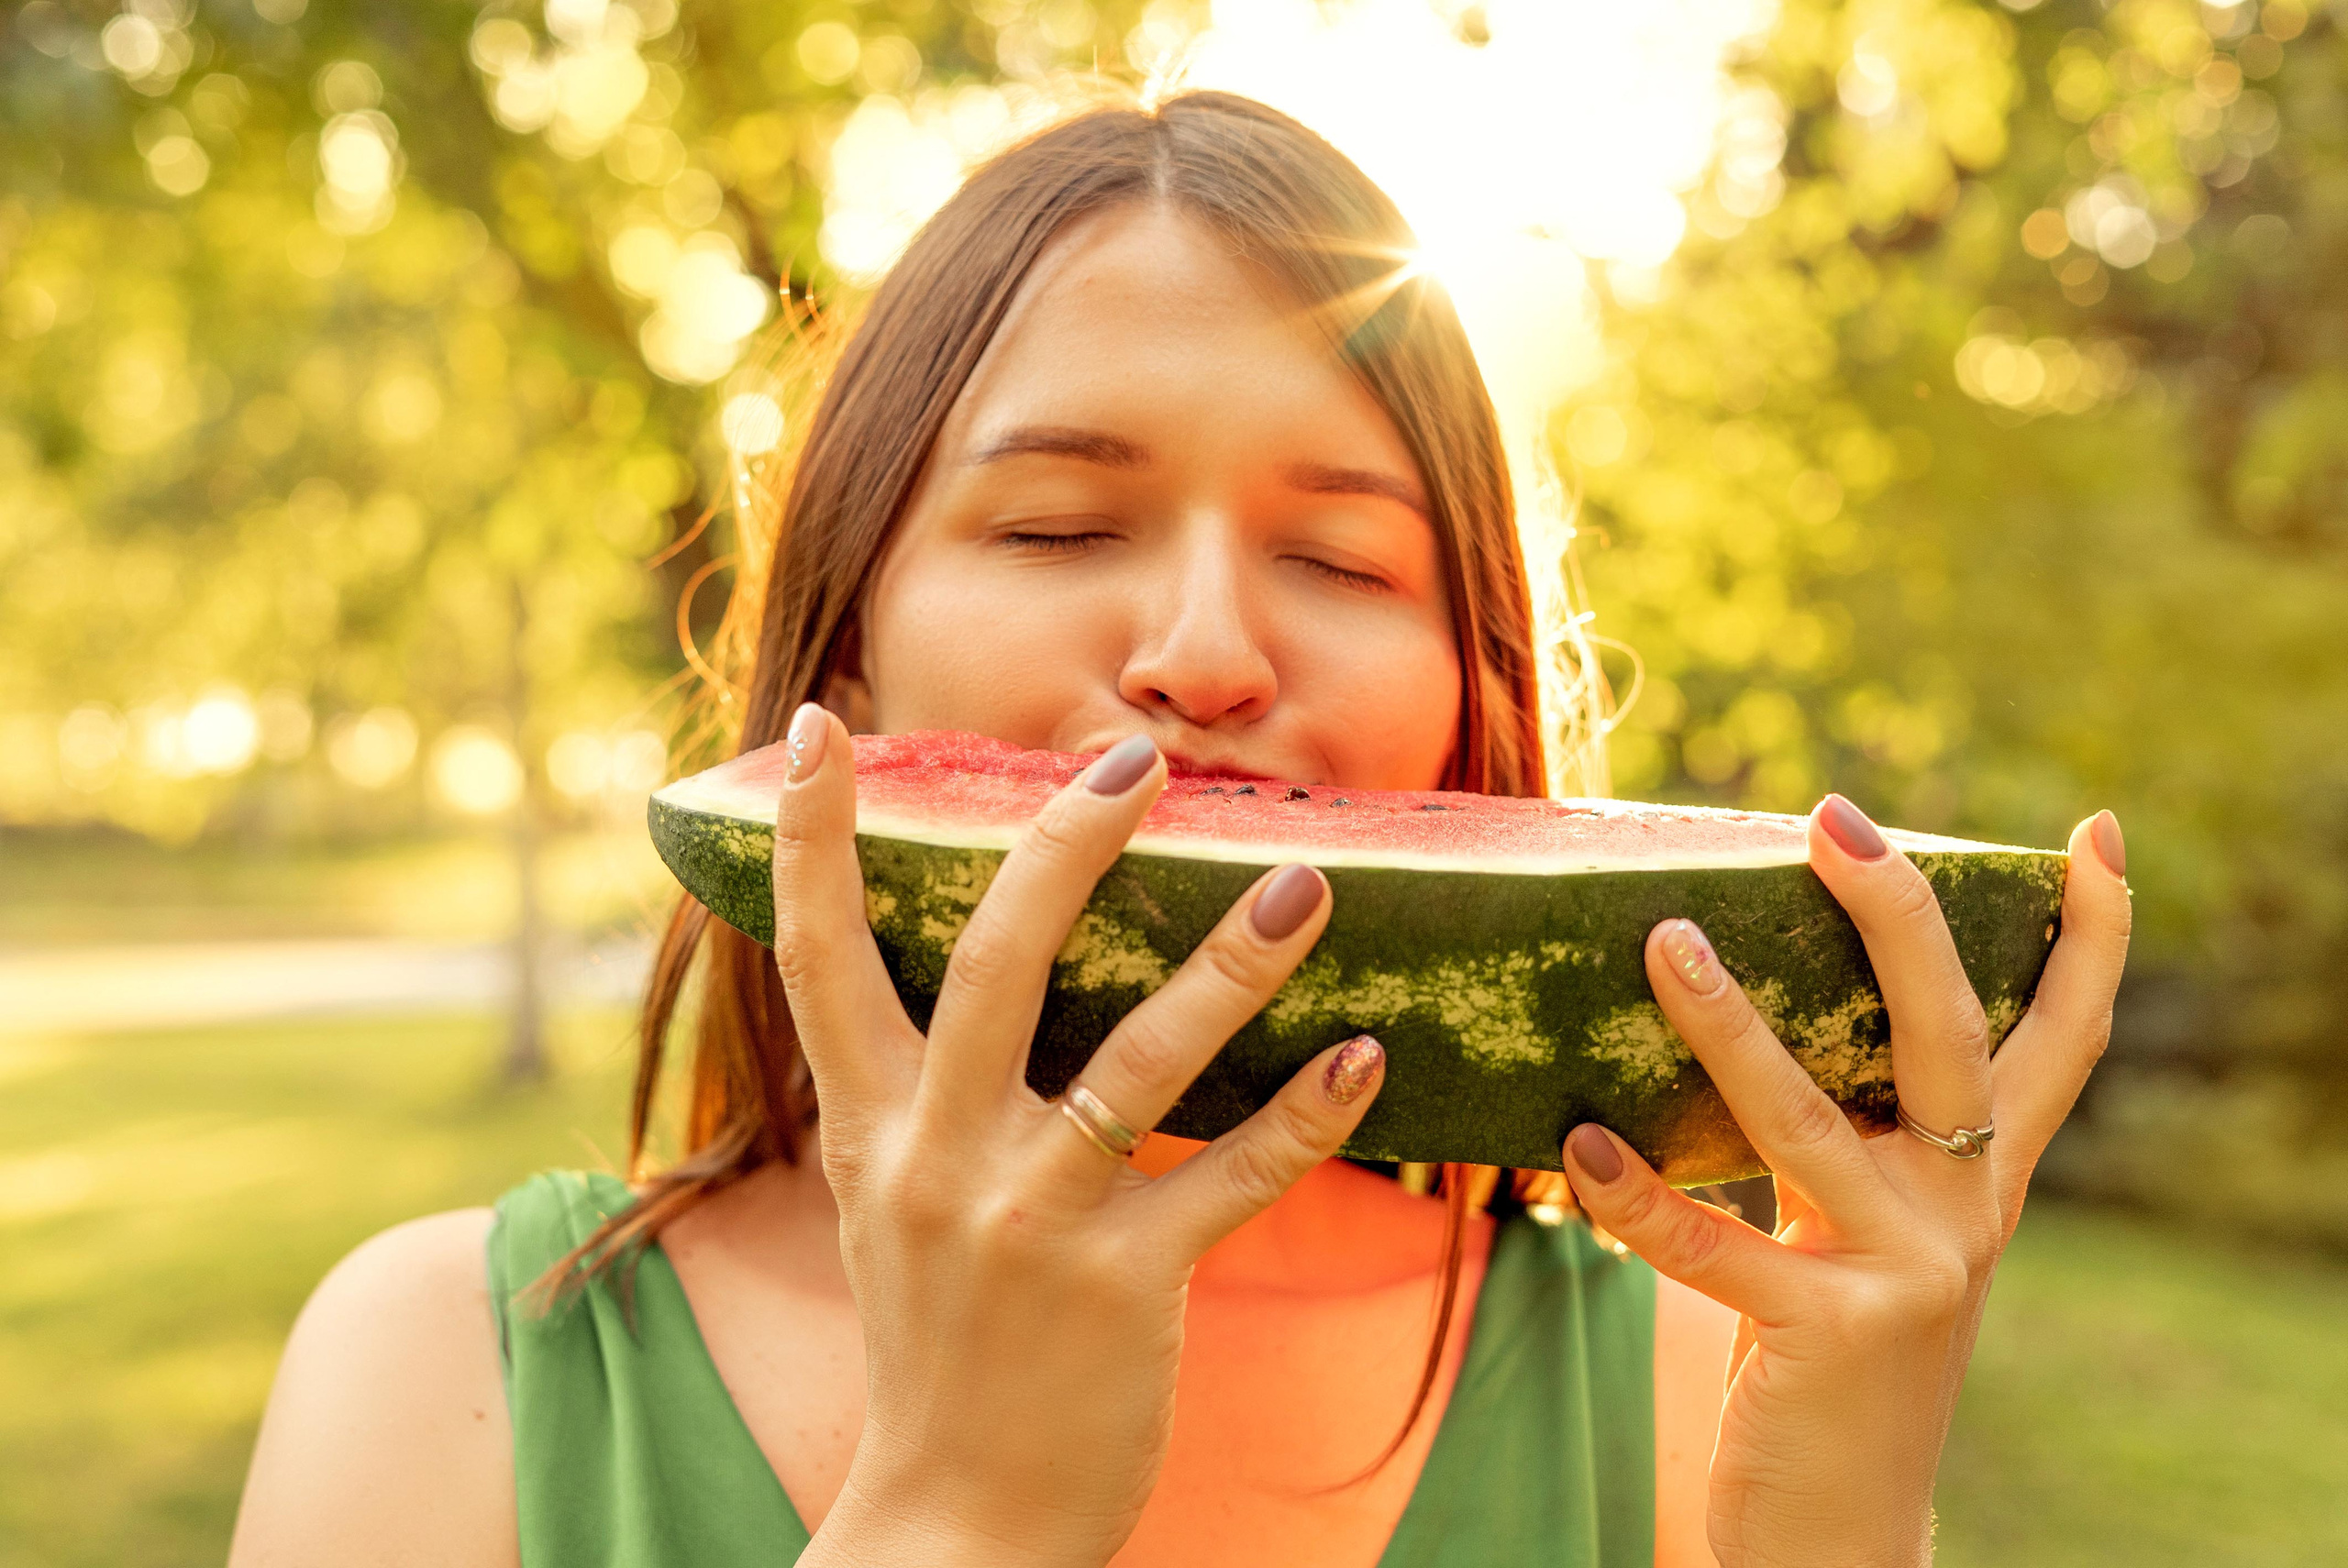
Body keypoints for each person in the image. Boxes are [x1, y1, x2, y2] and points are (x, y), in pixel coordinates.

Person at [227, 92, 2132, 1568]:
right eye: (1056, 528)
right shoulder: (444, 1368)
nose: (1206, 655)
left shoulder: (1690, 1383)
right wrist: (952, 1515)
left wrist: (1844, 1539)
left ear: (1469, 710)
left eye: (1340, 557)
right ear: (847, 672)